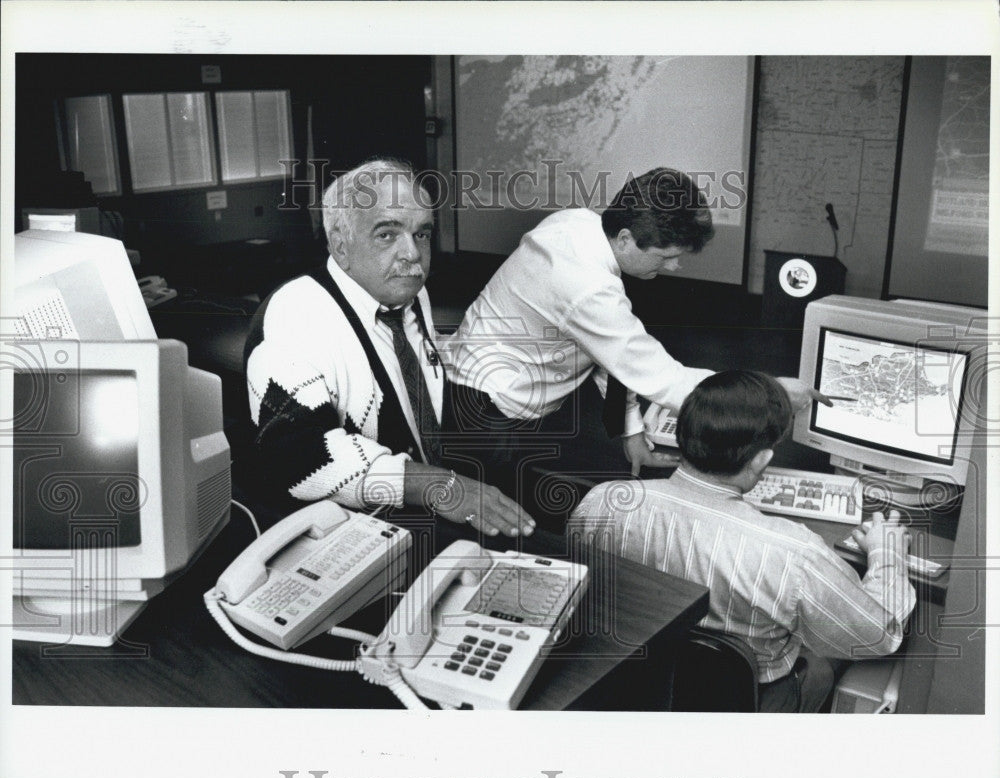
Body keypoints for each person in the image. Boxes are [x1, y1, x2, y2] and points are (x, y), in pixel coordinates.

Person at [569, 370, 916, 712]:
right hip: (741, 703)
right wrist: (888, 556)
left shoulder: (603, 501)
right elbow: (877, 637)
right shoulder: (795, 554)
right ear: (762, 459)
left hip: (632, 686)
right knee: (823, 665)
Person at [444, 167, 825, 476]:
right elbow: (669, 382)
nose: (674, 267)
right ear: (625, 238)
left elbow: (605, 350)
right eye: (665, 256)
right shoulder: (589, 288)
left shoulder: (576, 222)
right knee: (496, 521)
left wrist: (632, 432)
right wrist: (769, 391)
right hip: (489, 416)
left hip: (477, 387)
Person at [244, 158, 534, 538]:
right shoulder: (294, 316)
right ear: (340, 245)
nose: (412, 254)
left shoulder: (407, 292)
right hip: (356, 530)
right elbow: (296, 457)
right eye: (387, 234)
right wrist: (435, 485)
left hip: (429, 498)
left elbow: (414, 379)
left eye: (422, 234)